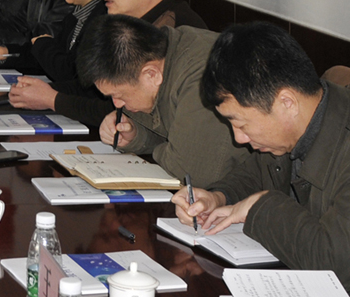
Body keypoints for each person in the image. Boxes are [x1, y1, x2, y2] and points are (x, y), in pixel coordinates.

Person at [174, 23, 350, 295]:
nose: (239, 138)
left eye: (241, 123)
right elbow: (257, 172)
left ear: (287, 102)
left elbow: (337, 265)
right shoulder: (307, 118)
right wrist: (218, 197)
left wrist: (260, 207)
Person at [76, 15, 246, 188]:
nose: (117, 105)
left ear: (151, 74)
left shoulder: (202, 78)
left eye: (119, 95)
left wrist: (171, 149)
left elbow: (191, 174)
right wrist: (136, 136)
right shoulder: (160, 55)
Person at [6, 0, 111, 115]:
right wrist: (7, 53)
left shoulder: (103, 21)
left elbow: (71, 74)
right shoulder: (76, 14)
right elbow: (50, 58)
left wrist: (43, 44)